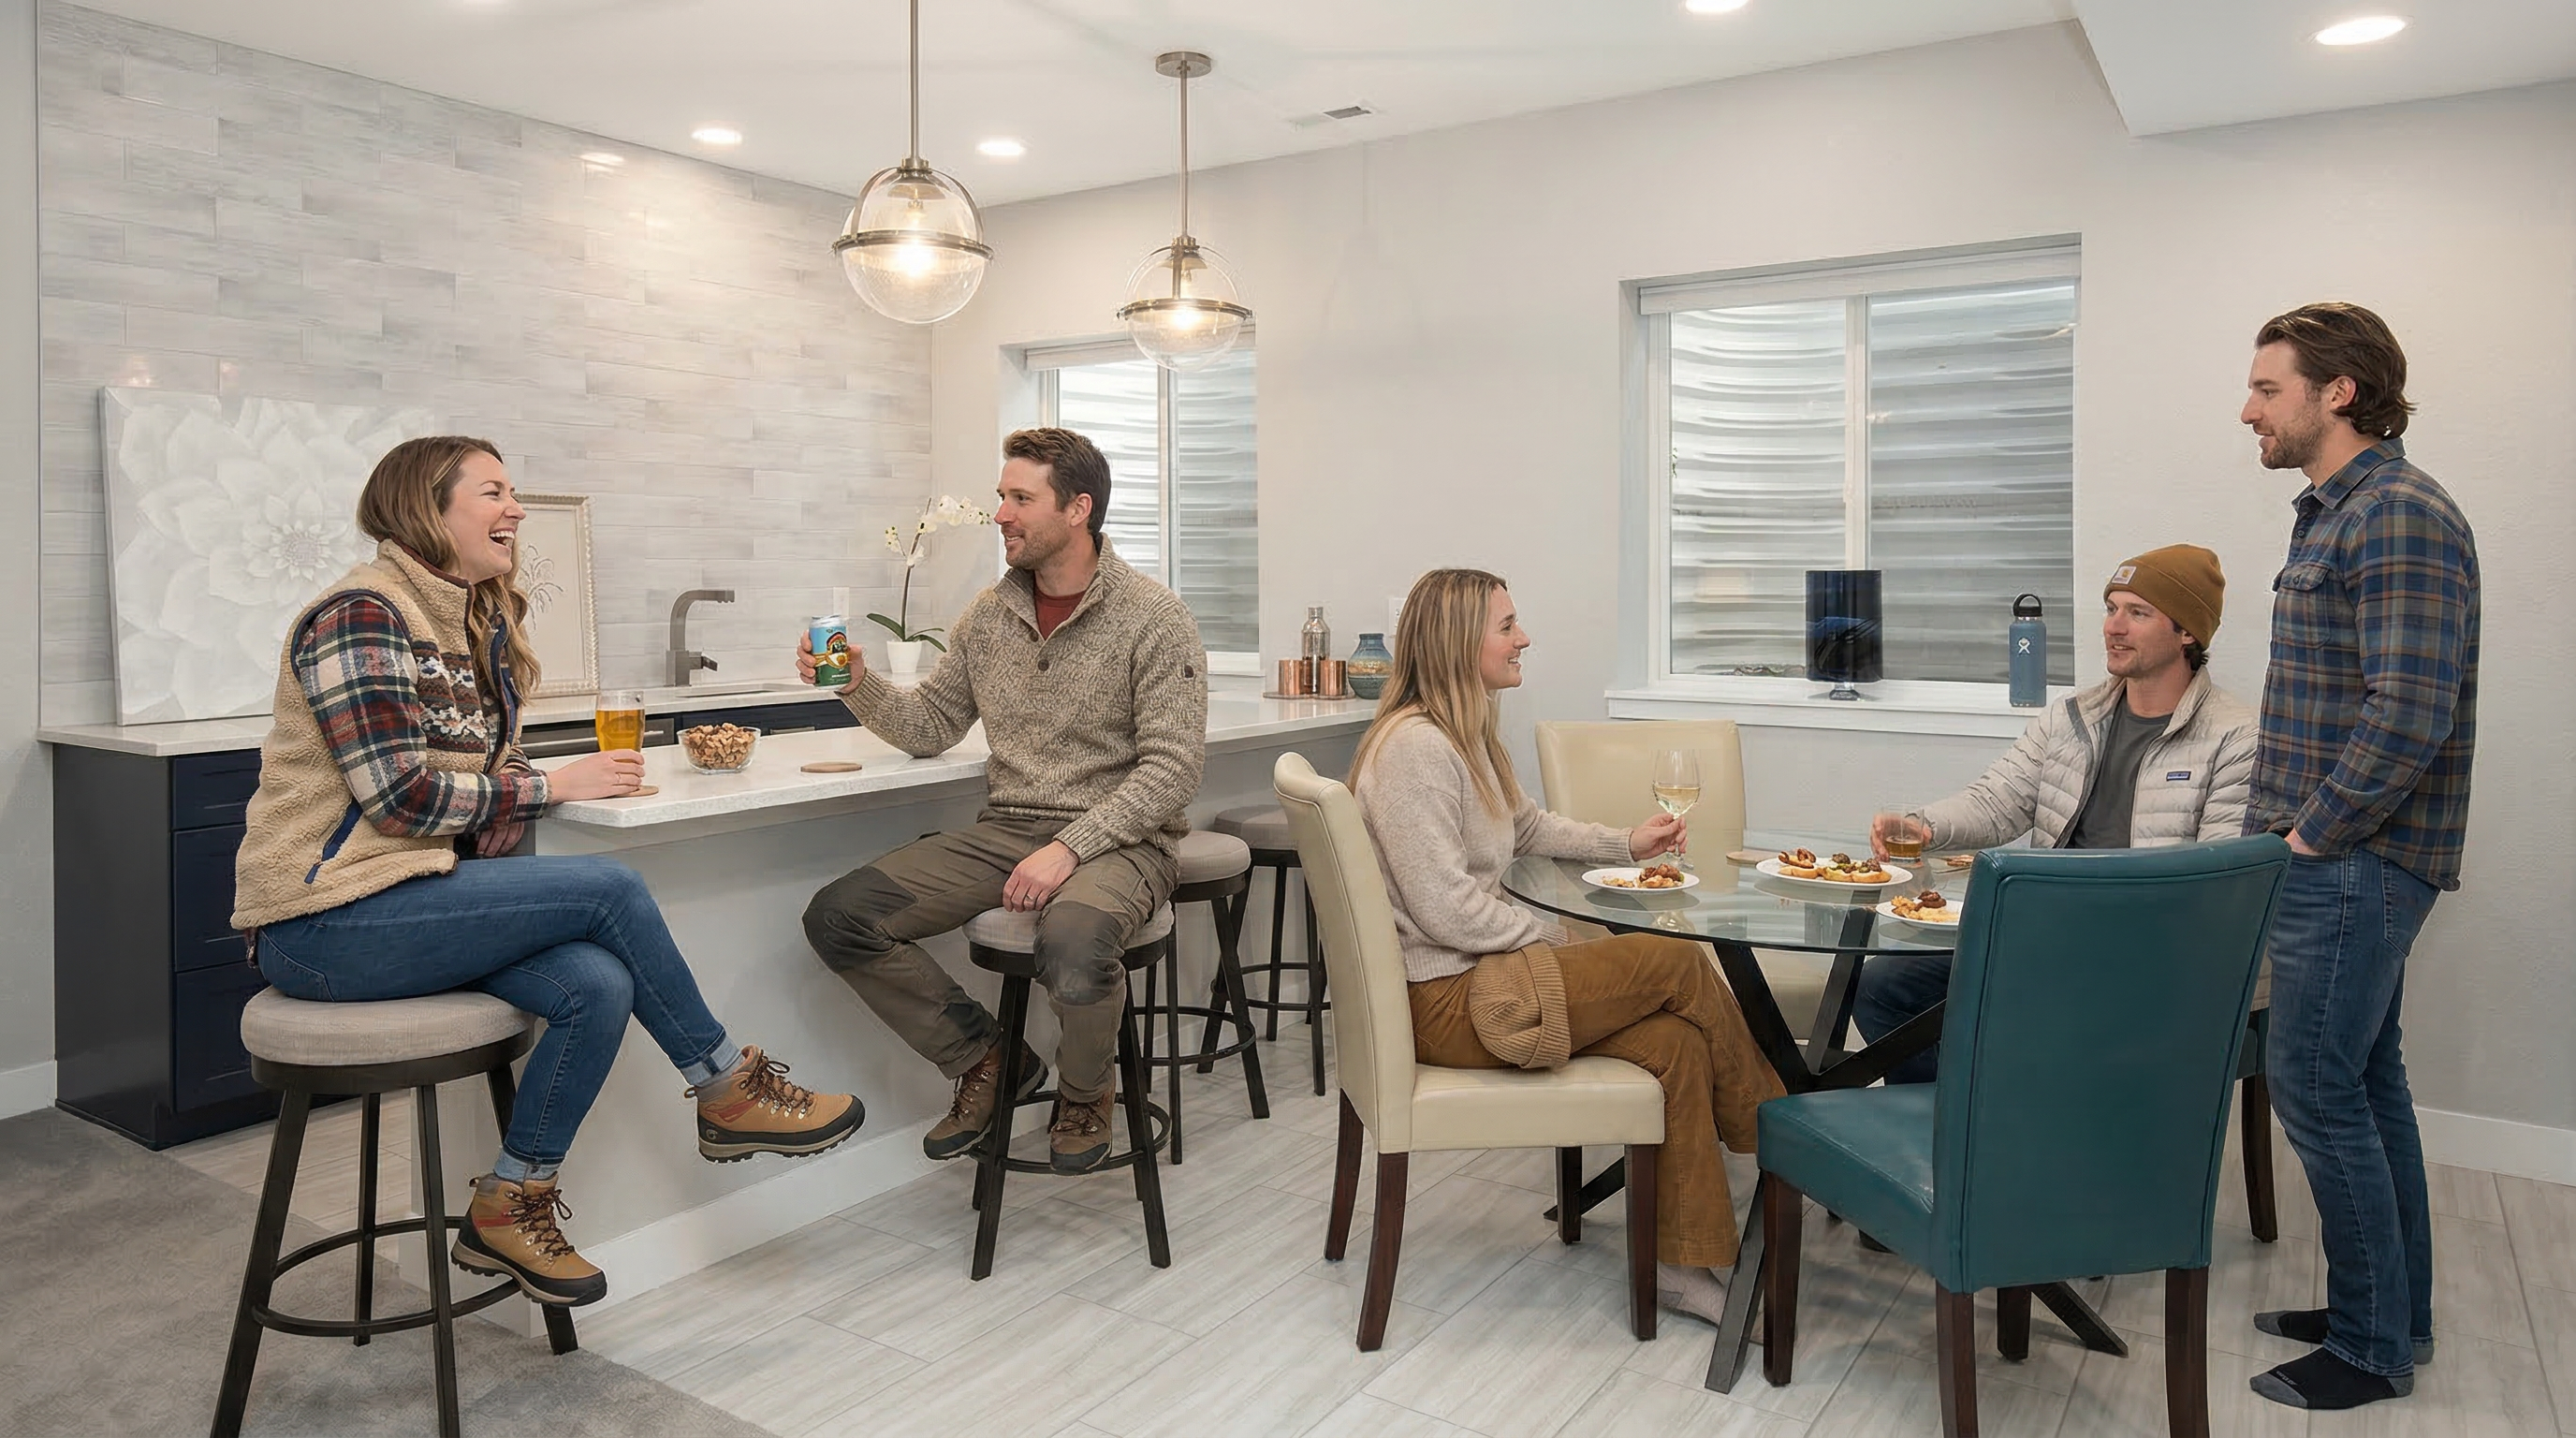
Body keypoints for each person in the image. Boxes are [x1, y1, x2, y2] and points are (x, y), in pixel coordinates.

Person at [232, 436, 863, 1309]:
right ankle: (724, 1086)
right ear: (428, 506)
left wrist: (505, 800)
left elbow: (475, 755)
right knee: (608, 888)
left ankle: (511, 1199)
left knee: (596, 985)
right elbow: (400, 799)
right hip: (320, 924)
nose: (518, 509)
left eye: (514, 491)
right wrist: (538, 789)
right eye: (494, 491)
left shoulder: (468, 614)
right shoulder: (362, 614)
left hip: (406, 902)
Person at [1349, 567, 1783, 1327]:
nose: (1525, 639)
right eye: (1507, 626)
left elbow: (1526, 829)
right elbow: (1445, 908)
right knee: (1677, 959)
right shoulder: (1413, 751)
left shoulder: (1466, 735)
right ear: (1459, 643)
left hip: (1485, 977)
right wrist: (1557, 934)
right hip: (1450, 1000)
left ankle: (1683, 1266)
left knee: (1676, 1041)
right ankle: (1783, 1143)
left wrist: (1626, 840)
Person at [800, 428, 1208, 1175]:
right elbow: (929, 726)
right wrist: (855, 682)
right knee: (841, 916)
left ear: (1078, 509)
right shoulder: (988, 618)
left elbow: (1172, 771)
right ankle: (987, 1059)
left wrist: (1071, 848)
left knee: (1073, 938)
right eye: (1001, 497)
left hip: (1123, 842)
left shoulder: (1155, 617)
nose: (1001, 514)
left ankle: (1086, 1096)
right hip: (1006, 831)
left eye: (1020, 498)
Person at [2233, 303, 2479, 1413]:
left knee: (2319, 1092)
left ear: (2338, 392)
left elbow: (2410, 710)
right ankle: (2391, 1315)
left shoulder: (2400, 514)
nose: (2249, 410)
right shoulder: (2332, 514)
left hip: (2357, 861)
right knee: (2369, 1089)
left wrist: (2309, 832)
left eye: (2268, 389)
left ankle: (2370, 1351)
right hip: (2339, 859)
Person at [1852, 545, 2256, 1081]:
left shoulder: (2237, 736)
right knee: (1884, 985)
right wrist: (1925, 826)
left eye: (2138, 613)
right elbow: (1997, 801)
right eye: (2111, 608)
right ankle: (1972, 1127)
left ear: (2188, 633)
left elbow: (2220, 880)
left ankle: (2002, 1116)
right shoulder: (2072, 716)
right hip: (2050, 937)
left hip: (2149, 960)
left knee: (2043, 1015)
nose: (2114, 627)